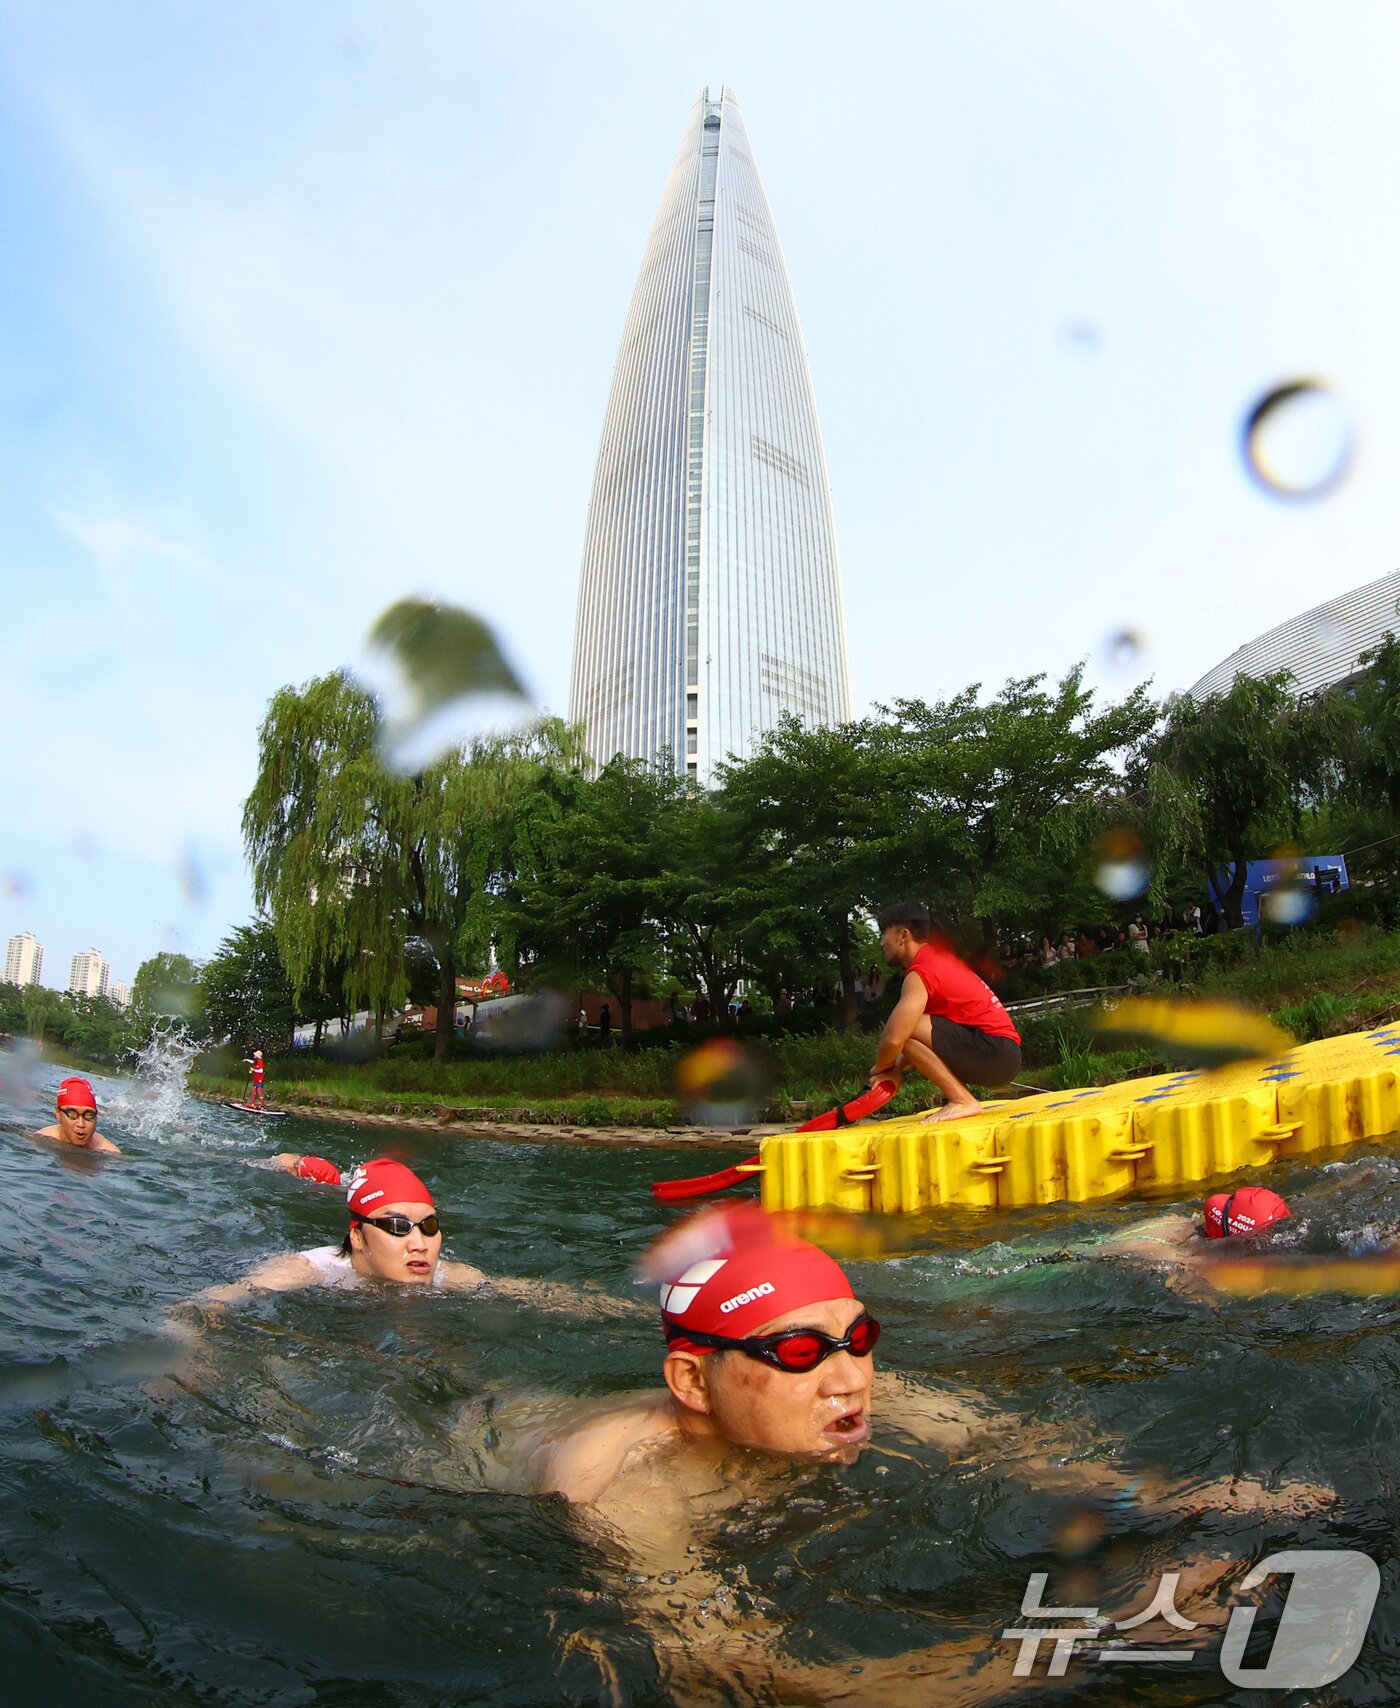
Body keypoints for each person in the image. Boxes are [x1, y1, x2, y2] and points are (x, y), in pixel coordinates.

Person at [518, 1205, 1329, 1701]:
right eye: (800, 1352)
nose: (851, 1379)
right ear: (694, 1382)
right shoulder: (621, 1491)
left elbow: (1022, 1447)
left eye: (859, 1338)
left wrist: (1198, 1494)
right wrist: (1109, 1631)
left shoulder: (868, 1388)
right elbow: (765, 1682)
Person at [868, 900, 1022, 1123]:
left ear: (903, 935)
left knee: (905, 1030)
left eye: (884, 934)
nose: (882, 942)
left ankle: (962, 1100)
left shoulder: (922, 972)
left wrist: (880, 1069)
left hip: (994, 1052)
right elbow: (921, 1042)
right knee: (908, 1032)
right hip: (1003, 1054)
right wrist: (896, 1068)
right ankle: (961, 1099)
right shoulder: (937, 959)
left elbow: (893, 1038)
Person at [37, 1076, 120, 1154]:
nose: (81, 1124)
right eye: (72, 1115)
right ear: (58, 1114)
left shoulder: (109, 1152)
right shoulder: (39, 1141)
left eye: (88, 1116)